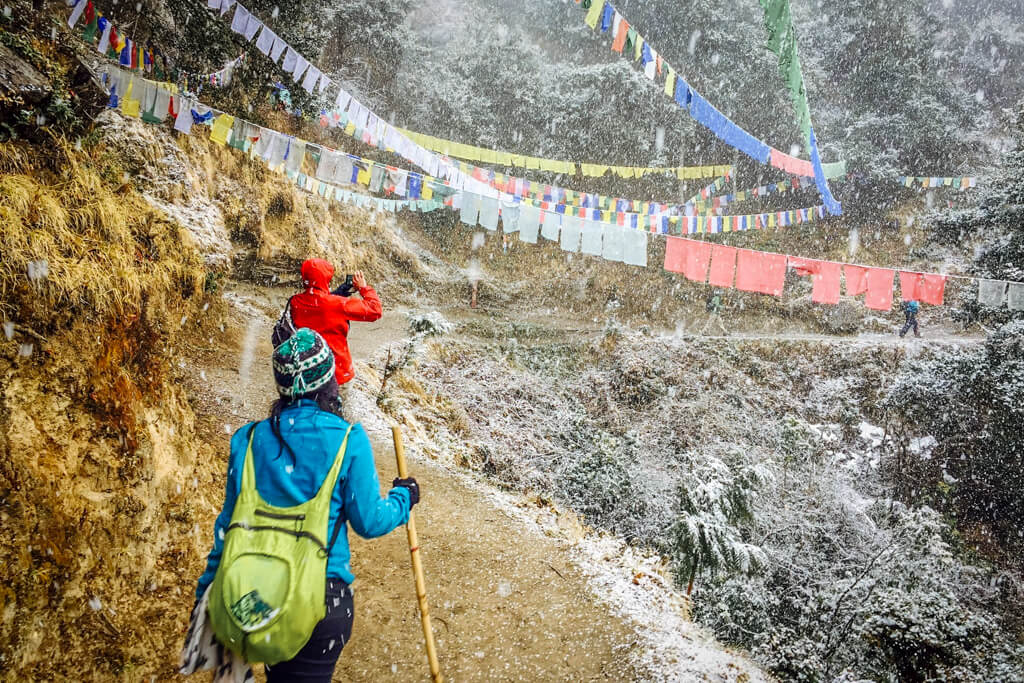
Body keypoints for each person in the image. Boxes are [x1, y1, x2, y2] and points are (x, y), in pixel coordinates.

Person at [193, 328, 418, 681]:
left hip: (252, 590)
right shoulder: (348, 440)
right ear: (329, 381)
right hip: (318, 601)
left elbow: (227, 527)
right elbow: (370, 521)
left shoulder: (248, 439)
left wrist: (206, 593)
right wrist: (405, 497)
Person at [289, 258, 383, 415]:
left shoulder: (295, 303)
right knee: (337, 420)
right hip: (338, 374)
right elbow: (375, 310)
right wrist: (363, 288)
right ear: (326, 279)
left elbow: (318, 301)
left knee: (309, 417)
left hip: (307, 374)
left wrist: (343, 290)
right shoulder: (337, 305)